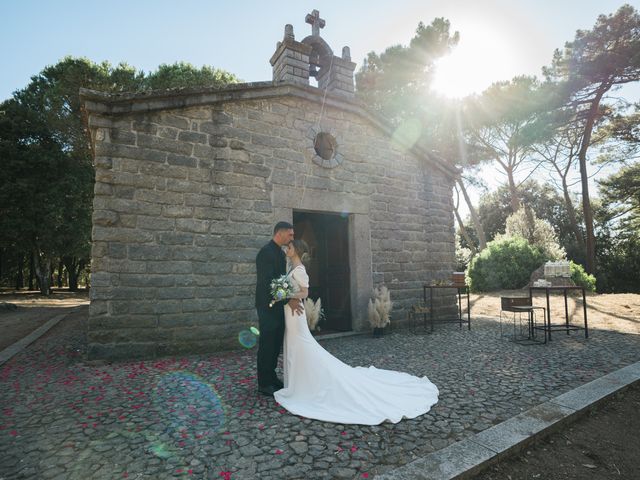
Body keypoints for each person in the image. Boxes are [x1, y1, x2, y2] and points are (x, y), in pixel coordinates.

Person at [274, 239, 439, 425]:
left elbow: (304, 293)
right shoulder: (291, 266)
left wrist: (287, 295)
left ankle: (305, 383)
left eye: (290, 247)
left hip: (296, 313)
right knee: (295, 344)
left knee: (302, 343)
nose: (287, 249)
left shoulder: (300, 269)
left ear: (296, 250)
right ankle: (297, 382)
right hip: (290, 311)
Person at [255, 222, 303, 396]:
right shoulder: (265, 253)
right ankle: (264, 382)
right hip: (267, 306)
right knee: (267, 344)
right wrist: (288, 300)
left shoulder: (279, 253)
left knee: (275, 344)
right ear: (280, 233)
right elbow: (268, 283)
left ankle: (272, 377)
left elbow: (281, 280)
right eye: (290, 235)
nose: (292, 238)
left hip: (278, 306)